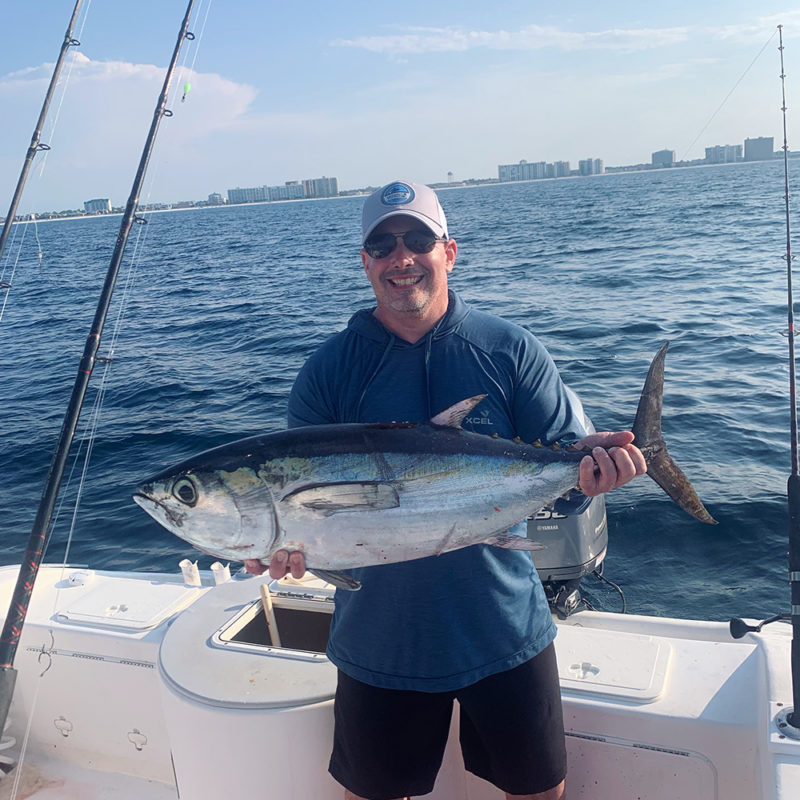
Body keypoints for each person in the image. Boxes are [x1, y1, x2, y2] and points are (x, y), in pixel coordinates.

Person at [246, 180, 646, 800]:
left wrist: (590, 481)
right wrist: (292, 552)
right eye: (382, 245)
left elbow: (568, 491)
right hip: (381, 640)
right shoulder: (327, 373)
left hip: (504, 630)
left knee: (539, 792)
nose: (400, 258)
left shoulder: (510, 351)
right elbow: (316, 519)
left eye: (418, 239)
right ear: (365, 262)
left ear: (449, 250)